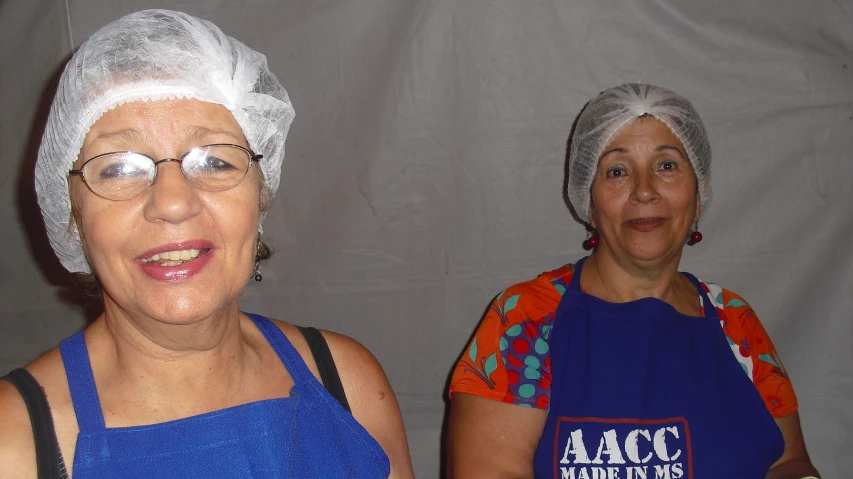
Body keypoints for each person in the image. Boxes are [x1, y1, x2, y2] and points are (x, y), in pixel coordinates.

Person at [0, 9, 414, 478]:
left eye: (214, 160)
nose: (173, 202)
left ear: (260, 196)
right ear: (72, 216)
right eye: (118, 167)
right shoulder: (14, 441)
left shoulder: (347, 382)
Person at [446, 84, 819, 478]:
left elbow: (789, 462)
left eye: (667, 165)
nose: (644, 190)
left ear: (699, 192)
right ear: (588, 200)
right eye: (618, 171)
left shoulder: (735, 322)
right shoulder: (524, 320)